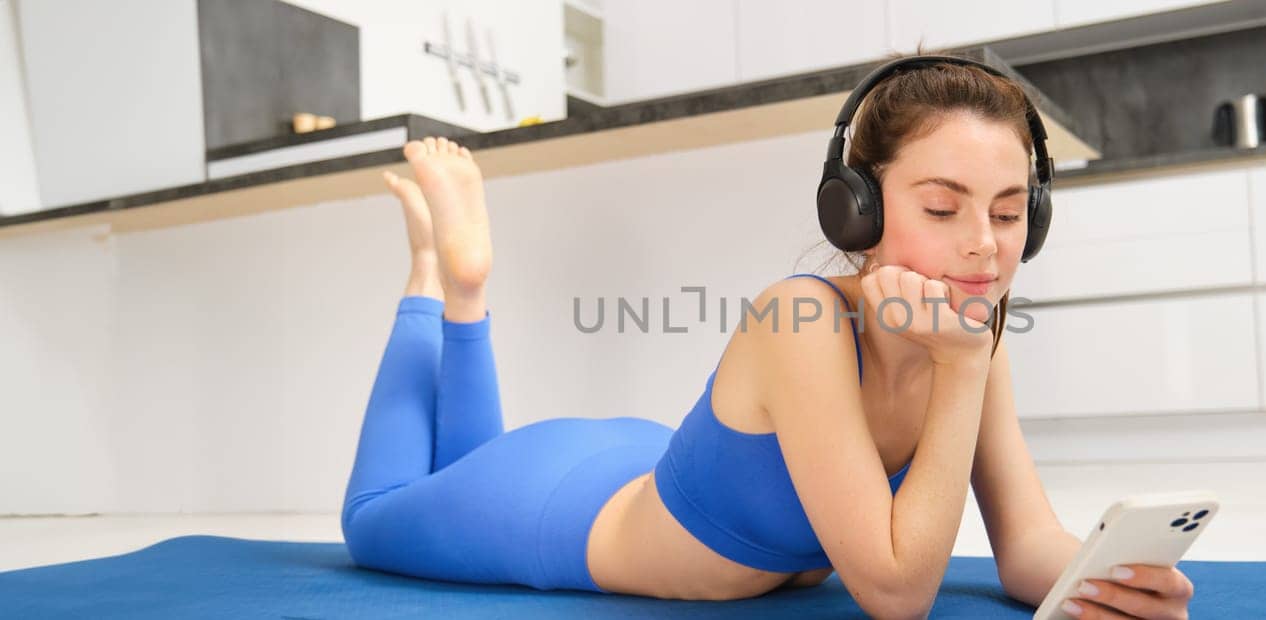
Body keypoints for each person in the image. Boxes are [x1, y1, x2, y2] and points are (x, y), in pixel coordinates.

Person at [340, 56, 1195, 620]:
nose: (985, 242)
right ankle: (449, 285)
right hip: (559, 508)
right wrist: (961, 367)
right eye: (942, 207)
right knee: (373, 522)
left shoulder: (971, 339)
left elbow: (1024, 546)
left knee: (453, 468)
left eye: (1011, 213)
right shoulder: (808, 321)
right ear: (856, 207)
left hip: (644, 460)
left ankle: (461, 293)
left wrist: (1103, 579)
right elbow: (897, 592)